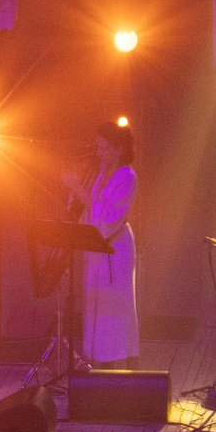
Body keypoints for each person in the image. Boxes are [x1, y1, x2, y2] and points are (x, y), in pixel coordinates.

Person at [74, 121, 139, 366]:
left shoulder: (127, 177)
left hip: (116, 248)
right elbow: (92, 210)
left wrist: (79, 191)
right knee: (99, 311)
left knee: (117, 310)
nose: (98, 153)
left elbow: (109, 218)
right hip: (98, 248)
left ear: (119, 149)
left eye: (103, 148)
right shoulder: (102, 172)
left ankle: (125, 369)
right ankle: (102, 365)